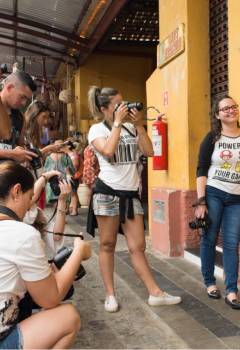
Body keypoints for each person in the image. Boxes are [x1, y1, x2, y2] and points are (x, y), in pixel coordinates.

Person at [87, 85, 181, 312]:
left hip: (130, 196)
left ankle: (155, 293)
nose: (123, 107)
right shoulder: (96, 130)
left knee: (138, 246)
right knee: (107, 244)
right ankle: (110, 294)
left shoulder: (131, 127)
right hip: (107, 192)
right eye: (118, 105)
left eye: (124, 102)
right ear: (104, 108)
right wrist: (118, 124)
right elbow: (108, 151)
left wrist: (139, 125)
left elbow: (149, 152)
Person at [0, 161, 91, 349]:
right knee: (68, 317)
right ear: (16, 192)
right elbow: (49, 299)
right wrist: (79, 252)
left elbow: (55, 234)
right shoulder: (20, 233)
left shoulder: (30, 218)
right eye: (29, 196)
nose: (29, 203)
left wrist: (61, 201)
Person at [195, 95, 240, 309]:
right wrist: (201, 201)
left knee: (232, 244)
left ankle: (231, 290)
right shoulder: (212, 138)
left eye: (233, 106)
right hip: (214, 193)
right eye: (225, 109)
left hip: (237, 198)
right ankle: (210, 282)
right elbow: (201, 169)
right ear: (217, 115)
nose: (230, 111)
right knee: (209, 238)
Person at [0, 71, 37, 163]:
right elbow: (14, 152)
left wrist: (25, 153)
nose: (24, 103)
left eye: (27, 99)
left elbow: (19, 144)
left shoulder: (20, 117)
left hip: (10, 174)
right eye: (22, 97)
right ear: (9, 88)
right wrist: (11, 153)